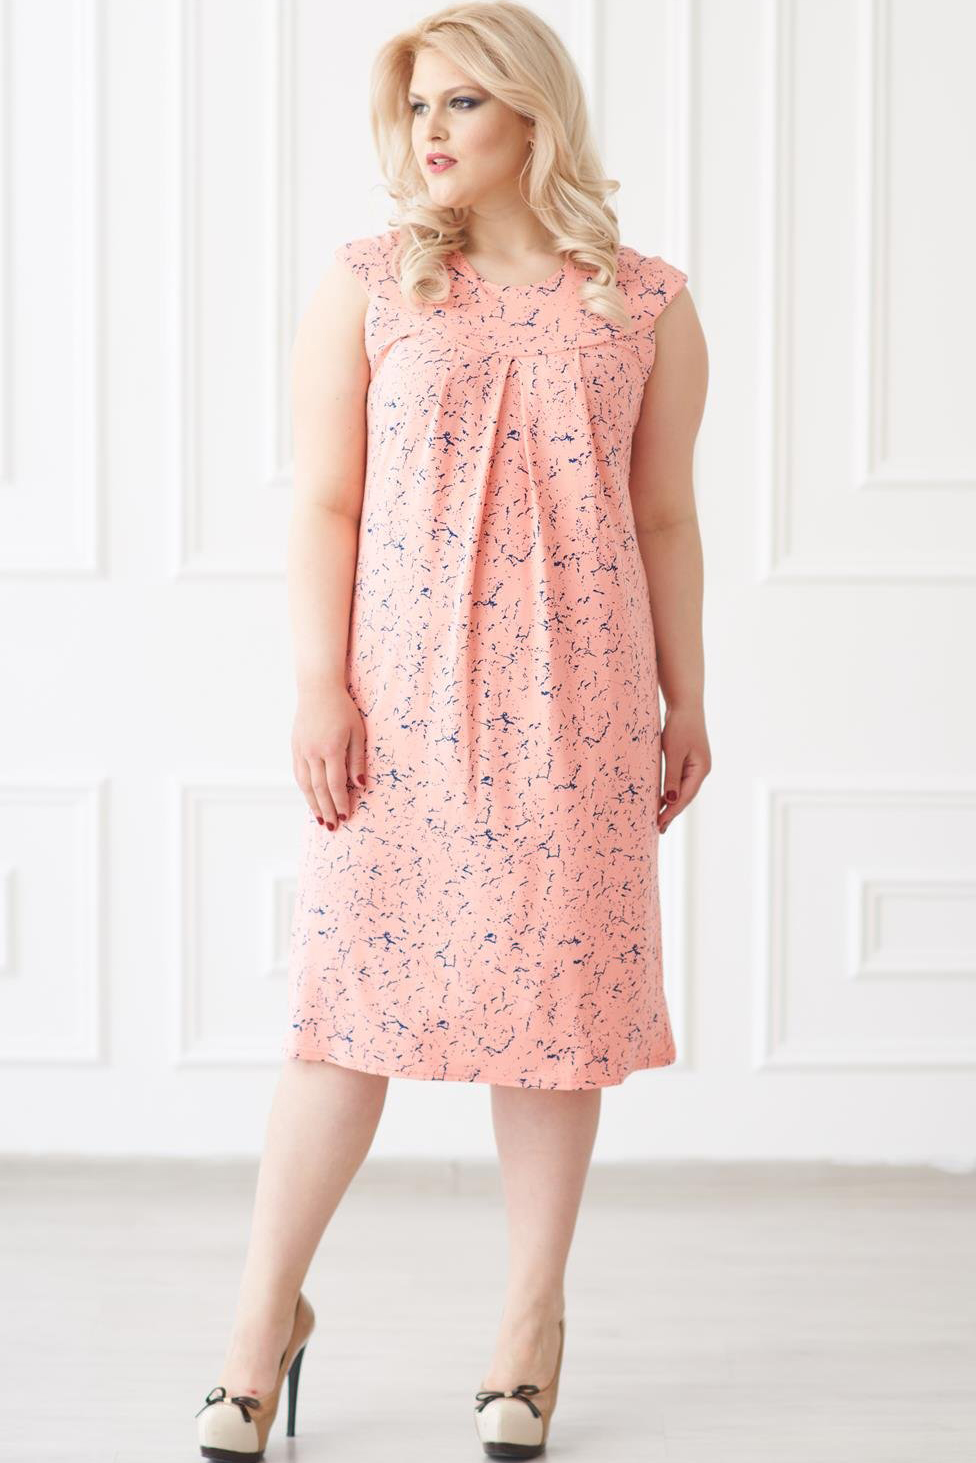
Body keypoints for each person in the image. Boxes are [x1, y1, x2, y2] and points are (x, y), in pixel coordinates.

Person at [194, 2, 710, 1457]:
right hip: (400, 708)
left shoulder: (646, 302)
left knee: (555, 1023)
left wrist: (690, 696)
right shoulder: (372, 283)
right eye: (417, 104)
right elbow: (325, 503)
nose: (430, 130)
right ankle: (259, 1326)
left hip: (582, 704)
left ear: (535, 115)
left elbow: (666, 517)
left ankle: (530, 1328)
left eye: (463, 102)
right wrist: (319, 684)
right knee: (342, 1014)